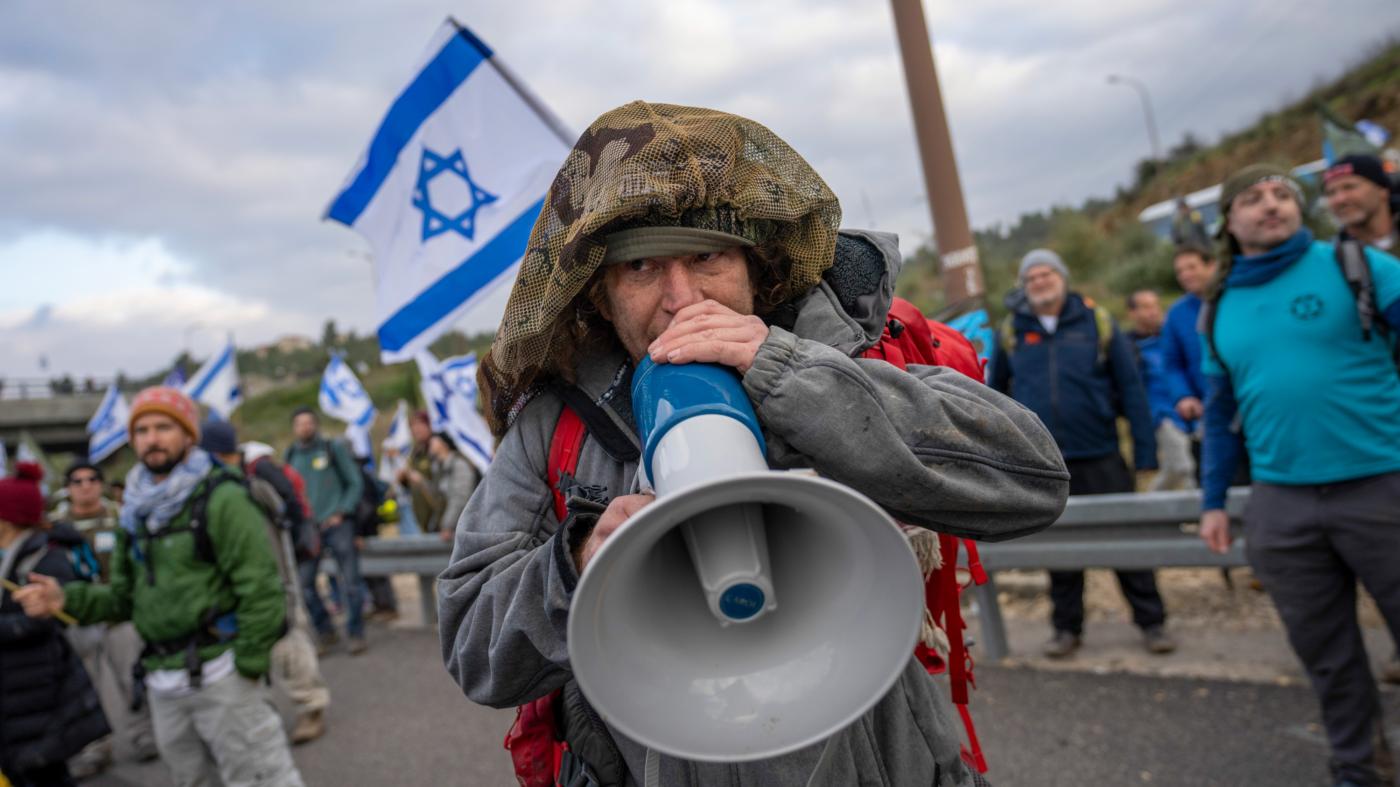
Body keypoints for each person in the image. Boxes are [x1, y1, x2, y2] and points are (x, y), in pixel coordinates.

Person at [438, 101, 1070, 787]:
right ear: (601, 295)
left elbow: (1033, 480)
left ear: (754, 266)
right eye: (643, 269)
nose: (681, 299)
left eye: (706, 256)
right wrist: (581, 560)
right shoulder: (552, 426)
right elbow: (474, 643)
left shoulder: (839, 352)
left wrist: (788, 373)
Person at [1197, 163, 1400, 787]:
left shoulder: (1359, 266)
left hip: (1382, 484)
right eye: (1253, 197)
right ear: (1228, 222)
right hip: (1282, 504)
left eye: (1284, 194)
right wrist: (1212, 502)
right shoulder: (1218, 305)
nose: (1272, 205)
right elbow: (1220, 409)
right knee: (1329, 658)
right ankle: (1360, 767)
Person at [13, 387, 303, 787]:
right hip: (162, 681)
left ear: (188, 434)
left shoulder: (222, 497)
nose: (152, 438)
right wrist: (65, 599)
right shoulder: (136, 509)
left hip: (222, 672)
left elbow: (262, 588)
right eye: (142, 429)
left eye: (164, 427)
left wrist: (247, 665)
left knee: (259, 779)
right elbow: (123, 598)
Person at [989, 249, 1174, 659]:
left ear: (1063, 277)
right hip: (1045, 463)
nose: (1039, 282)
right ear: (1023, 286)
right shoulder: (1012, 331)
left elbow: (1131, 389)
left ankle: (1152, 623)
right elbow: (997, 397)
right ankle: (1066, 629)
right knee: (1059, 550)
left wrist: (1145, 451)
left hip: (1102, 453)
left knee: (1128, 544)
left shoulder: (1098, 322)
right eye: (1031, 277)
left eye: (1046, 273)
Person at [200, 423, 331, 745]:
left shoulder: (254, 481)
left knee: (289, 644)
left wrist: (285, 579)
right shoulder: (207, 491)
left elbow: (283, 522)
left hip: (276, 580)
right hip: (236, 588)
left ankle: (311, 707)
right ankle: (266, 713)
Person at [1, 463, 110, 787]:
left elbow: (46, 622)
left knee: (43, 771)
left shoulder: (46, 559)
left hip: (37, 690)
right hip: (16, 694)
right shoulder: (11, 557)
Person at [49, 462, 158, 778]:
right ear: (68, 487)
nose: (86, 485)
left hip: (118, 616)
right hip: (77, 619)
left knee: (132, 678)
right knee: (86, 688)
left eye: (92, 479)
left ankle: (144, 736)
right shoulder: (55, 526)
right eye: (78, 481)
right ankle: (95, 747)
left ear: (101, 484)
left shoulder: (119, 517)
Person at [284, 407, 367, 656]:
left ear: (316, 425)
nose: (305, 427)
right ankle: (325, 630)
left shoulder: (333, 448)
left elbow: (354, 482)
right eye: (300, 423)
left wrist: (342, 511)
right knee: (305, 585)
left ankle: (355, 634)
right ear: (294, 428)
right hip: (309, 529)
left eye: (309, 423)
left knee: (350, 582)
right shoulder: (291, 455)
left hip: (338, 524)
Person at [1125, 289, 1196, 491]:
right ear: (1132, 313)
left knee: (1194, 470)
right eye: (1146, 307)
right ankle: (1146, 507)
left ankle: (1194, 519)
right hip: (1161, 414)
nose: (1153, 312)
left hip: (1188, 410)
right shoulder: (1129, 346)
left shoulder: (1172, 338)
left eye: (1156, 305)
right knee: (1182, 466)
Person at [1324, 153, 1398, 252]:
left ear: (1382, 190)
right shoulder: (1332, 257)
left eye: (1349, 187)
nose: (1340, 199)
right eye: (1331, 193)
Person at [426, 433, 478, 543]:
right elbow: (436, 496)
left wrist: (447, 525)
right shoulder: (438, 467)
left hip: (463, 529)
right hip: (452, 529)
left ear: (444, 444)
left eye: (434, 440)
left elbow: (460, 498)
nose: (430, 443)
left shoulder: (460, 465)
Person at [396, 411, 443, 532]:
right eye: (412, 426)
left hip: (439, 514)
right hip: (423, 515)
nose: (416, 429)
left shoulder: (439, 448)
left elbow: (442, 482)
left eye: (420, 424)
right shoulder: (415, 452)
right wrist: (404, 479)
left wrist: (420, 480)